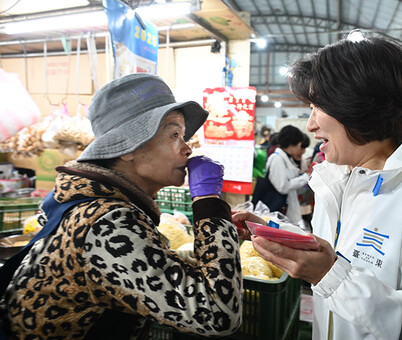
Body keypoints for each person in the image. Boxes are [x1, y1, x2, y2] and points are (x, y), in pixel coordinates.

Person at [234, 32, 402, 339]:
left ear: (357, 105)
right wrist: (276, 232)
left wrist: (333, 278)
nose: (310, 124)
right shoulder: (343, 180)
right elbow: (341, 254)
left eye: (318, 107)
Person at [0, 73, 242, 339]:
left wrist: (217, 239)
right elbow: (219, 315)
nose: (187, 149)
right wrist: (208, 204)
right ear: (127, 147)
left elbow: (152, 266)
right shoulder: (106, 222)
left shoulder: (101, 206)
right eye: (174, 134)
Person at [260, 125, 309, 227]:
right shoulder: (277, 159)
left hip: (288, 208)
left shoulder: (287, 159)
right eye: (300, 145)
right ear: (292, 144)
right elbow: (282, 187)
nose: (300, 149)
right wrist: (305, 177)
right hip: (278, 208)